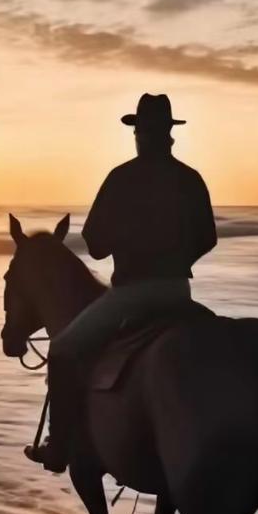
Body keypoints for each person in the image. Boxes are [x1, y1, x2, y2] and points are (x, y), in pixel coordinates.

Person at [25, 93, 218, 473]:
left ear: (139, 133)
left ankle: (59, 448)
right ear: (169, 133)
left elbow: (95, 246)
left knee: (63, 350)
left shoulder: (122, 178)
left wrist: (128, 242)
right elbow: (208, 238)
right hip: (180, 293)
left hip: (133, 294)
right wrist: (179, 259)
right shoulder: (190, 178)